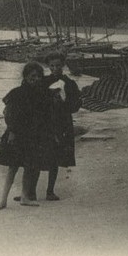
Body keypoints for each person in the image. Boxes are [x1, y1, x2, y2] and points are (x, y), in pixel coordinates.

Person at [0, 62, 56, 210]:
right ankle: (3, 200)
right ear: (26, 77)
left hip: (33, 135)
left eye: (39, 76)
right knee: (12, 167)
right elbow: (8, 114)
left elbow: (45, 115)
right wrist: (12, 132)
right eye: (32, 76)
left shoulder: (41, 93)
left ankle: (24, 197)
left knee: (30, 166)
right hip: (17, 133)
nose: (36, 79)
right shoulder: (17, 93)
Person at [43, 52, 82, 201]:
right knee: (37, 154)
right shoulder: (43, 81)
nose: (55, 68)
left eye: (58, 65)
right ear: (48, 66)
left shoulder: (70, 83)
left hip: (62, 122)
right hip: (46, 122)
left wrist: (64, 102)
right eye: (52, 66)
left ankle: (50, 191)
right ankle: (30, 190)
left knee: (55, 156)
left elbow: (75, 106)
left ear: (63, 65)